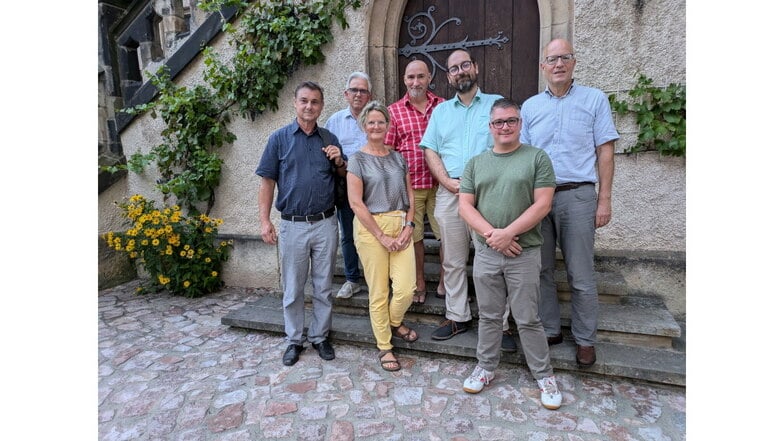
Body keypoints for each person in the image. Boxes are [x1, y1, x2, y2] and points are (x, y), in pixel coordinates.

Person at [520, 39, 619, 367]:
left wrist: (603, 199)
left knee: (580, 273)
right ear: (542, 67)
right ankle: (550, 328)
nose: (558, 64)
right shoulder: (531, 107)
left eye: (564, 58)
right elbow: (525, 157)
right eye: (552, 59)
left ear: (573, 63)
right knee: (543, 269)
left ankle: (585, 339)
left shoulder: (594, 99)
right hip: (539, 198)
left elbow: (605, 150)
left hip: (578, 195)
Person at [458, 97, 561, 410]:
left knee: (528, 318)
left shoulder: (536, 158)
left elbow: (543, 204)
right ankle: (486, 367)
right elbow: (465, 205)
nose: (505, 127)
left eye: (511, 121)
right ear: (490, 127)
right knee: (489, 316)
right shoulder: (476, 162)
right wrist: (493, 236)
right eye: (498, 122)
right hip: (488, 252)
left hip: (524, 252)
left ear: (520, 124)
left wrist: (508, 234)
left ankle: (544, 375)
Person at [420, 49, 517, 352]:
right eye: (453, 68)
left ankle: (499, 325)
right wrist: (446, 182)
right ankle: (457, 316)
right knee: (452, 260)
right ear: (448, 76)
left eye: (465, 65)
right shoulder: (441, 112)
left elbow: (508, 144)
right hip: (451, 193)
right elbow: (430, 150)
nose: (460, 71)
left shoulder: (495, 104)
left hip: (488, 194)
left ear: (475, 67)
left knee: (491, 261)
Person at [256, 81, 346, 366]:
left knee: (323, 286)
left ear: (321, 106)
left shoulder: (329, 139)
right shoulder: (279, 139)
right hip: (292, 225)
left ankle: (320, 337)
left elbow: (344, 177)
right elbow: (267, 182)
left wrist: (340, 161)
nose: (309, 106)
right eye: (304, 100)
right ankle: (294, 340)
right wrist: (264, 221)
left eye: (315, 102)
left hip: (325, 223)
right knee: (293, 288)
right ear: (295, 103)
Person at [347, 101, 418, 372]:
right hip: (370, 228)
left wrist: (409, 226)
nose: (377, 126)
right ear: (364, 126)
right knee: (379, 291)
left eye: (381, 121)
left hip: (401, 225)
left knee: (405, 288)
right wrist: (381, 236)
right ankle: (385, 346)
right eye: (371, 122)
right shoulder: (357, 159)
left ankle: (394, 321)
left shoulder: (398, 157)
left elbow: (410, 195)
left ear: (388, 125)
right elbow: (356, 203)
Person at [385, 59, 446, 305]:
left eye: (420, 77)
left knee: (447, 237)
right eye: (411, 77)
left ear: (429, 77)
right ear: (404, 80)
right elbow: (389, 150)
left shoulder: (443, 106)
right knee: (415, 237)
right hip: (411, 188)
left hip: (442, 184)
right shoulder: (394, 111)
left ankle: (445, 280)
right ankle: (419, 281)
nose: (415, 82)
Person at [325, 72, 373, 299]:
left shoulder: (375, 118)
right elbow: (325, 153)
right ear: (346, 94)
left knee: (377, 231)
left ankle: (378, 279)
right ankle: (353, 279)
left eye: (363, 91)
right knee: (348, 235)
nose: (358, 95)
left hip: (375, 187)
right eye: (354, 90)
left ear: (369, 95)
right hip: (346, 187)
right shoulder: (334, 122)